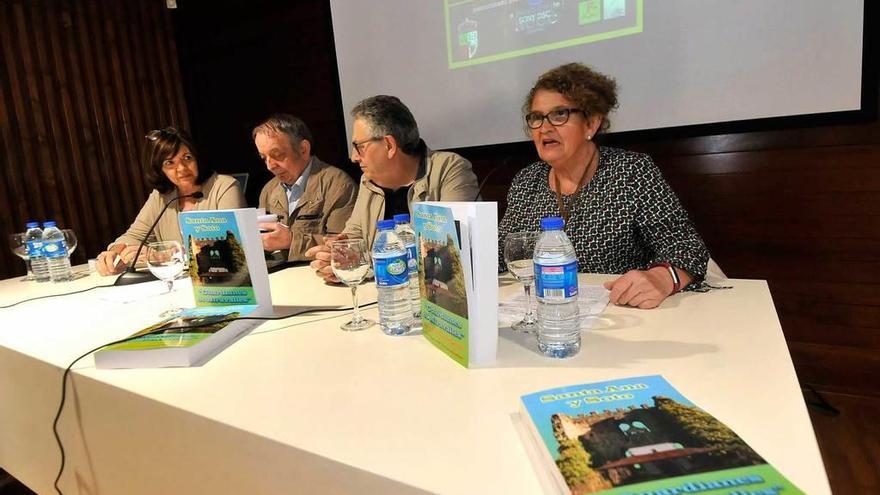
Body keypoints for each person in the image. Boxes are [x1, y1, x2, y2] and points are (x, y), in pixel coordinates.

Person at [498, 63, 710, 309]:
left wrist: (661, 278)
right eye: (537, 117)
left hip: (623, 313)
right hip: (548, 312)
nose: (544, 127)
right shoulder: (527, 181)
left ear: (592, 123)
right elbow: (502, 251)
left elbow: (686, 246)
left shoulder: (631, 172)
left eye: (559, 114)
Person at [306, 95, 479, 283]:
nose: (353, 157)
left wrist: (367, 263)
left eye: (358, 146)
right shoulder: (369, 181)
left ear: (389, 145)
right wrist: (340, 257)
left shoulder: (449, 169)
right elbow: (354, 236)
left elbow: (449, 250)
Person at [96, 127, 246, 276]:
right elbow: (134, 236)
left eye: (187, 158)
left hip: (222, 282)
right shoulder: (161, 197)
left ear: (197, 158)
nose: (181, 168)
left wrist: (165, 256)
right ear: (160, 169)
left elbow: (231, 245)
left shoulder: (225, 187)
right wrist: (113, 252)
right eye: (169, 163)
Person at [253, 114, 357, 261]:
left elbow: (343, 247)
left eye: (277, 154)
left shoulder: (338, 185)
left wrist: (291, 241)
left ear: (303, 149)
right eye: (264, 158)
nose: (270, 166)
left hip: (320, 276)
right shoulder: (268, 190)